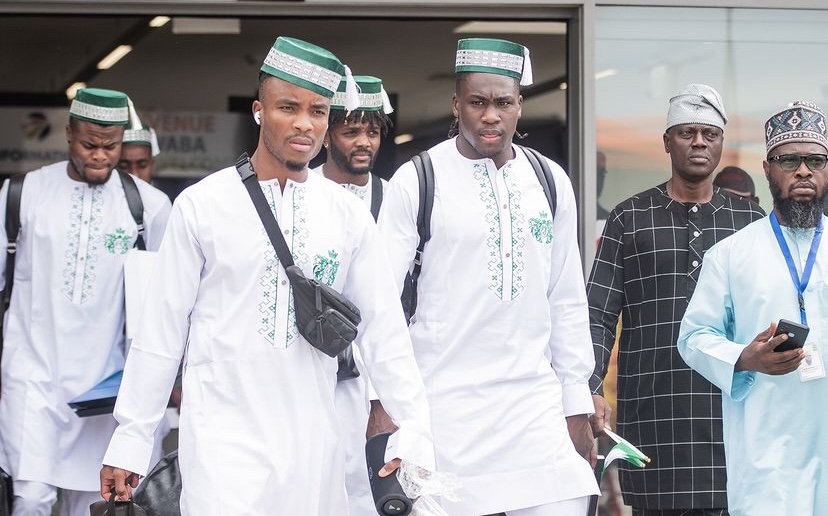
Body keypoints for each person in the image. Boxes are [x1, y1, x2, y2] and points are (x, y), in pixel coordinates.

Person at [99, 36, 435, 516]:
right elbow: (161, 331)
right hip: (221, 445)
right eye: (288, 107)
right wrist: (131, 435)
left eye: (318, 111)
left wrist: (413, 427)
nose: (304, 124)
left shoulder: (346, 214)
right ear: (259, 110)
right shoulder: (203, 204)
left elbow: (384, 330)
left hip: (313, 443)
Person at [378, 37, 599, 516]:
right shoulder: (417, 179)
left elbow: (565, 296)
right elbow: (379, 302)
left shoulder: (550, 180)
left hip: (532, 407)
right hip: (442, 407)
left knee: (567, 499)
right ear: (456, 105)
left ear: (520, 106)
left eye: (503, 102)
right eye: (477, 102)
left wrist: (575, 398)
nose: (490, 115)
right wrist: (383, 400)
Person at [587, 84, 765, 516]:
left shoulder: (751, 223)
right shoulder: (630, 218)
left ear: (723, 143)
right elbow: (597, 314)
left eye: (710, 133)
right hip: (653, 410)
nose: (699, 142)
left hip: (732, 407)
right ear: (667, 141)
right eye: (687, 132)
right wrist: (590, 387)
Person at [0, 87, 172, 516]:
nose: (100, 155)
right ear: (68, 134)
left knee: (93, 503)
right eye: (89, 145)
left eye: (111, 146)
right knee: (30, 500)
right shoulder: (21, 195)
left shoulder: (147, 207)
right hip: (32, 380)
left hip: (104, 390)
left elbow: (168, 300)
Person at [678, 100, 828, 516]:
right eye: (789, 160)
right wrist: (744, 357)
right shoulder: (731, 254)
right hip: (767, 457)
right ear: (767, 168)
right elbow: (693, 337)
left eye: (815, 159)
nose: (803, 170)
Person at [311, 74, 397, 516]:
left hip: (374, 380)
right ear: (327, 135)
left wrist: (386, 396)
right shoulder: (302, 193)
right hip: (308, 372)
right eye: (351, 131)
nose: (364, 142)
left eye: (373, 131)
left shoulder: (395, 197)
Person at [117, 104, 160, 184]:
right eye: (124, 166)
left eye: (142, 165)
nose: (134, 175)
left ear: (152, 166)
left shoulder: (160, 197)